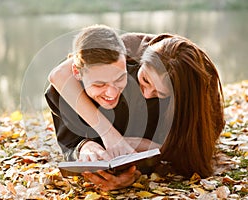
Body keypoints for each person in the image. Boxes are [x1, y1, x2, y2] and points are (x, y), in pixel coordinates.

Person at [49, 32, 225, 191]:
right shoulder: (128, 47)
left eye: (160, 93)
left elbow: (194, 150)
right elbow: (59, 75)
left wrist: (147, 151)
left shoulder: (202, 98)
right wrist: (109, 135)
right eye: (146, 80)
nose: (148, 93)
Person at [45, 24, 161, 164]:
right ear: (76, 72)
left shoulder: (145, 88)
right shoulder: (61, 95)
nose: (112, 93)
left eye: (120, 79)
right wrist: (84, 147)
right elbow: (70, 145)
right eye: (99, 84)